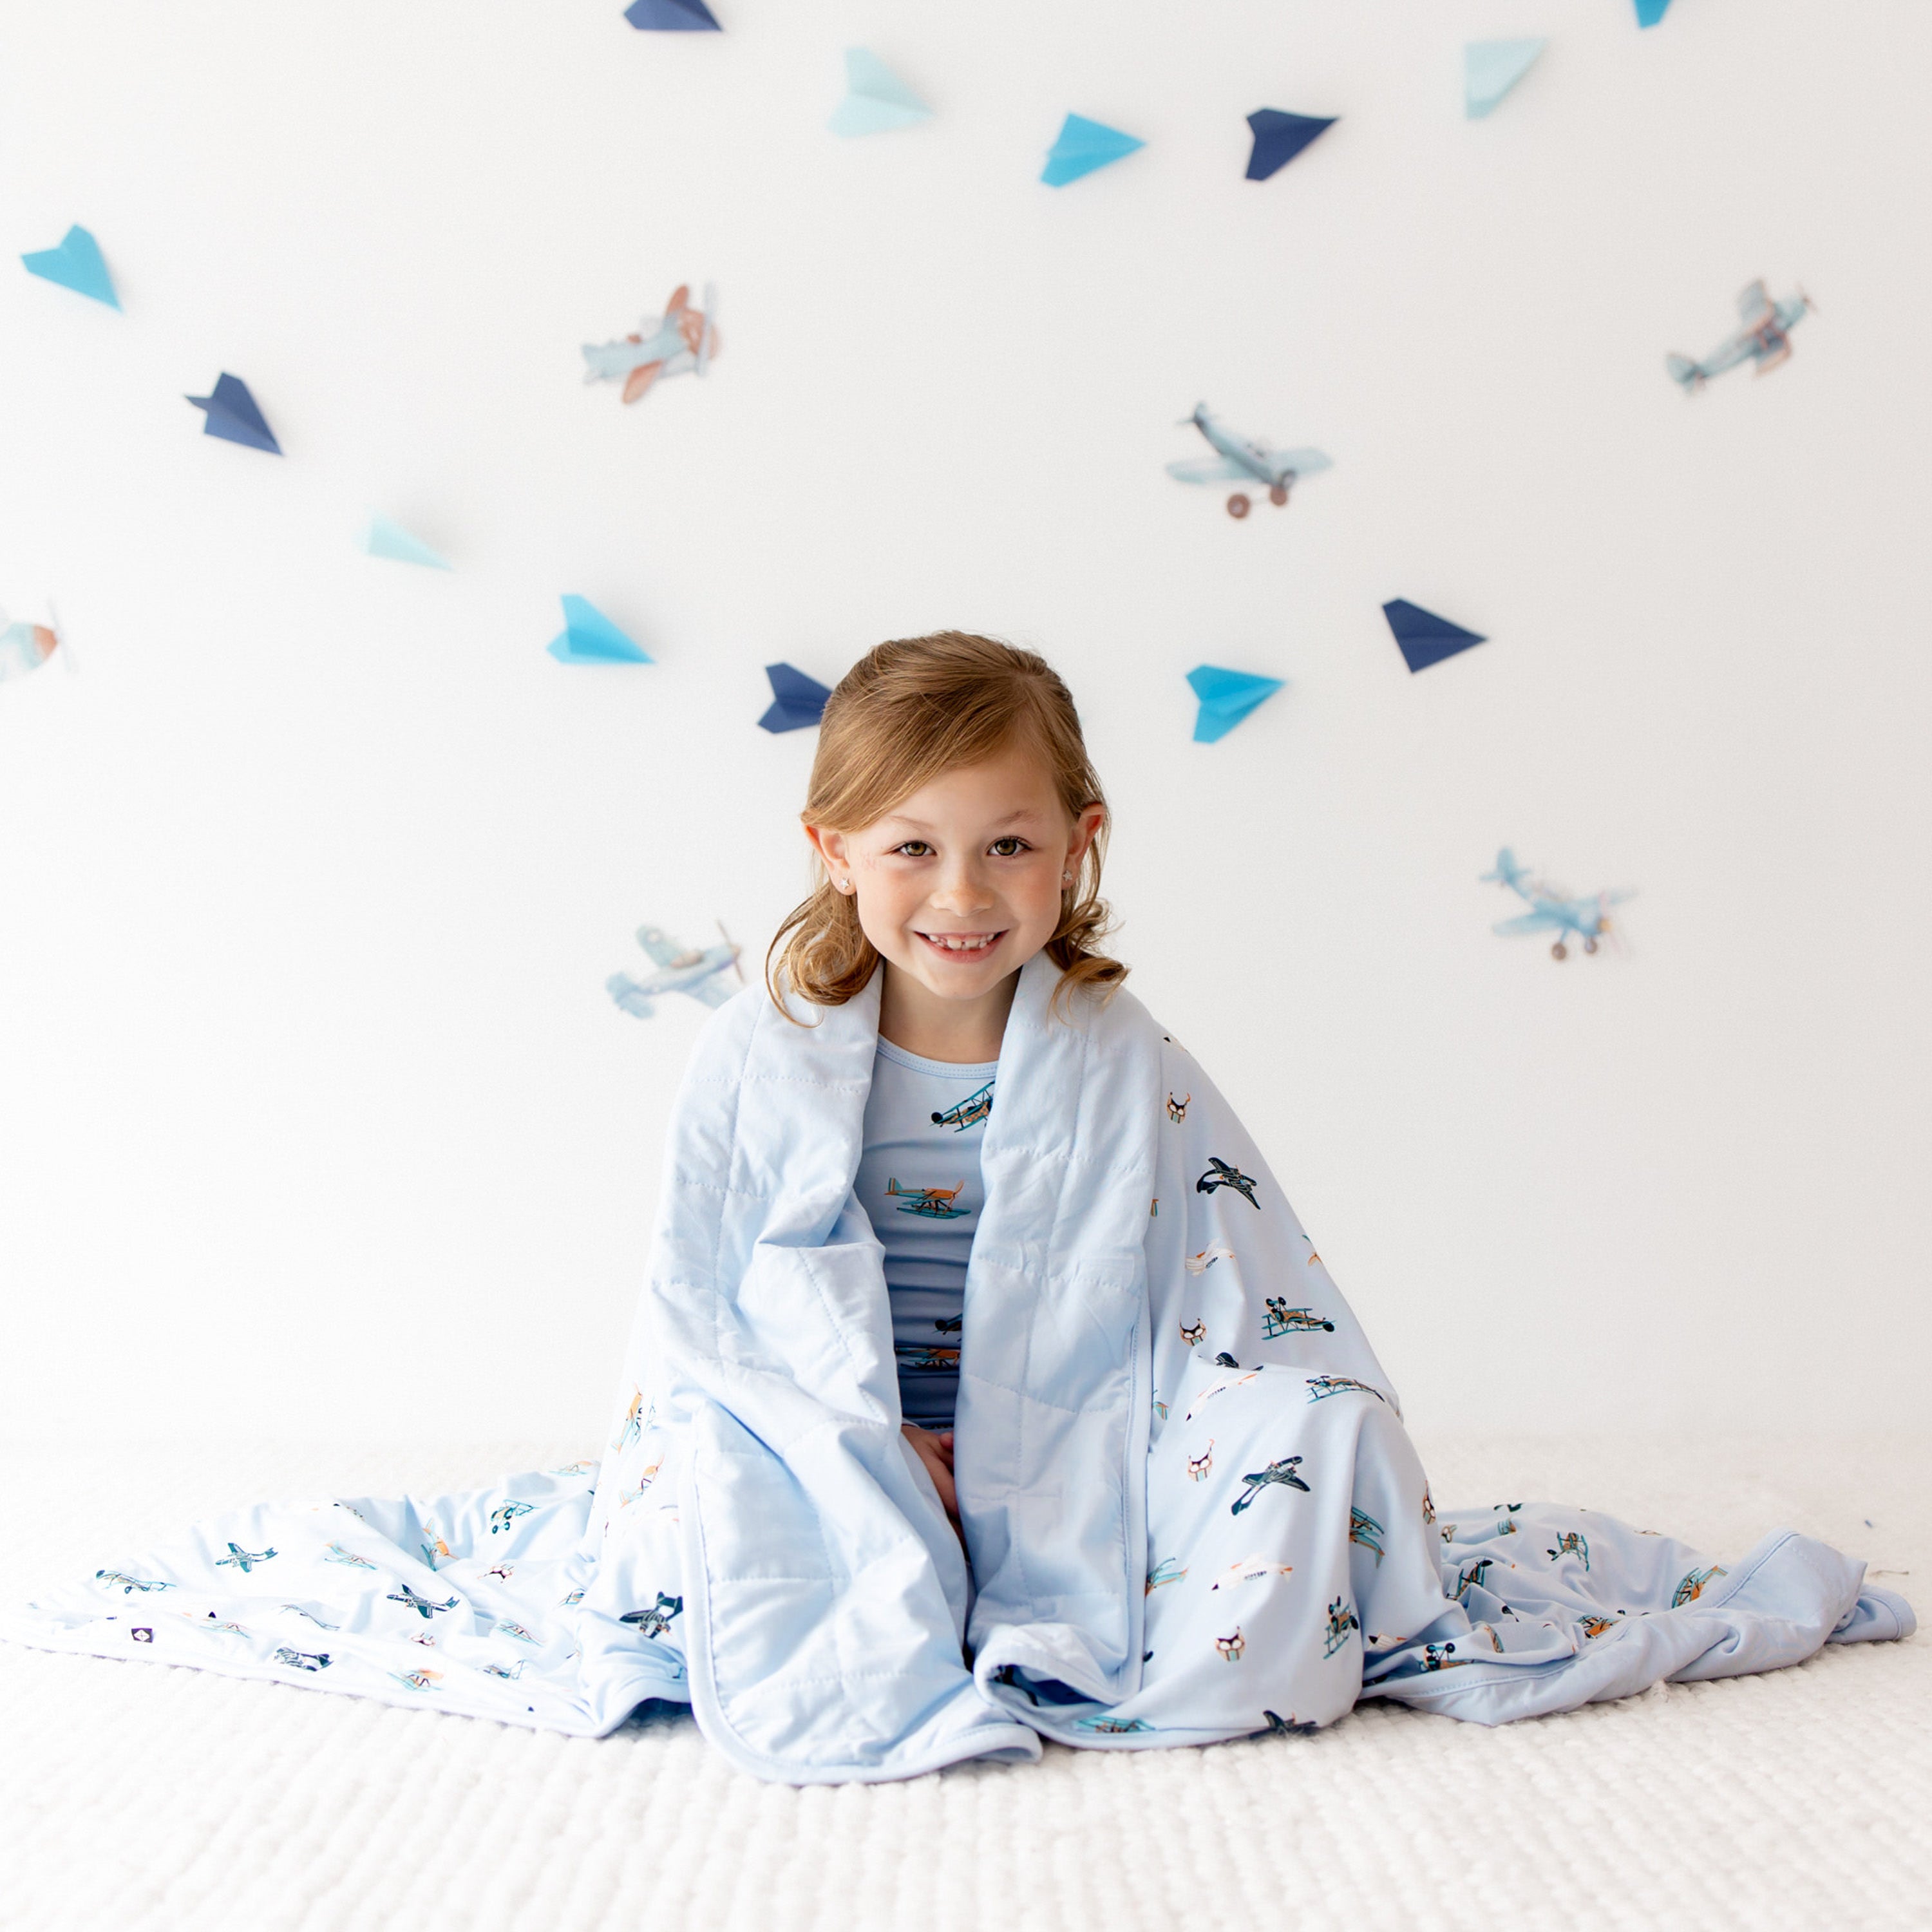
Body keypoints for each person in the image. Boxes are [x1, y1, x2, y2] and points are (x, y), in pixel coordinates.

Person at [6, 632, 1911, 1785]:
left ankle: (1041, 1570)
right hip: (833, 1427)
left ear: (1080, 846)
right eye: (914, 846)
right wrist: (875, 1447)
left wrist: (1041, 1452)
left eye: (1010, 843)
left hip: (1093, 1428)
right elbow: (710, 1315)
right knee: (702, 1496)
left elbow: (1227, 1289)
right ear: (834, 852)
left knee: (1314, 1437)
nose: (964, 891)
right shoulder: (765, 1058)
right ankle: (899, 1544)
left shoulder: (1116, 1049)